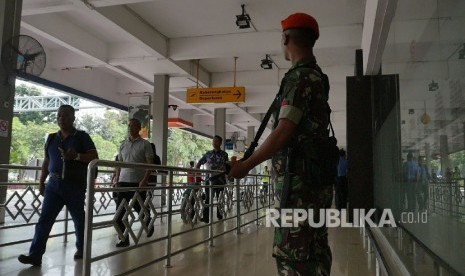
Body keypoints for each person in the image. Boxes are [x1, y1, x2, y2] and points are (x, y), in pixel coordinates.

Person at [229, 12, 333, 275]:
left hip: (298, 187)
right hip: (309, 184)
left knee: (295, 255)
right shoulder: (316, 76)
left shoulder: (299, 78)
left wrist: (247, 164)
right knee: (314, 250)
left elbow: (284, 129)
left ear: (286, 38)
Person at [18, 105, 98, 266]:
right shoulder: (52, 138)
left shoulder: (81, 136)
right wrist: (41, 182)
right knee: (44, 220)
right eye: (59, 115)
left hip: (74, 185)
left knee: (79, 219)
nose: (61, 118)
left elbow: (94, 157)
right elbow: (47, 161)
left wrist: (77, 156)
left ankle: (82, 248)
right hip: (53, 185)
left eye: (66, 115)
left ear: (74, 118)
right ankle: (35, 255)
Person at [112, 118, 154, 247]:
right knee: (119, 213)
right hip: (123, 182)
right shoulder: (123, 144)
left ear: (139, 128)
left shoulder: (145, 144)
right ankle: (123, 239)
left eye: (134, 126)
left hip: (138, 182)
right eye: (129, 126)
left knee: (140, 209)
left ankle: (149, 224)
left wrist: (144, 180)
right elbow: (119, 163)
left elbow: (150, 164)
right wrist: (116, 178)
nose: (130, 128)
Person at [196, 135, 228, 223]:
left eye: (216, 141)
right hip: (209, 180)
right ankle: (206, 217)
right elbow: (199, 162)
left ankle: (220, 215)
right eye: (213, 141)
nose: (214, 142)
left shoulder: (224, 154)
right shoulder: (208, 154)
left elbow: (226, 166)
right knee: (207, 198)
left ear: (220, 143)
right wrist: (196, 172)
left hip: (220, 180)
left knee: (220, 198)